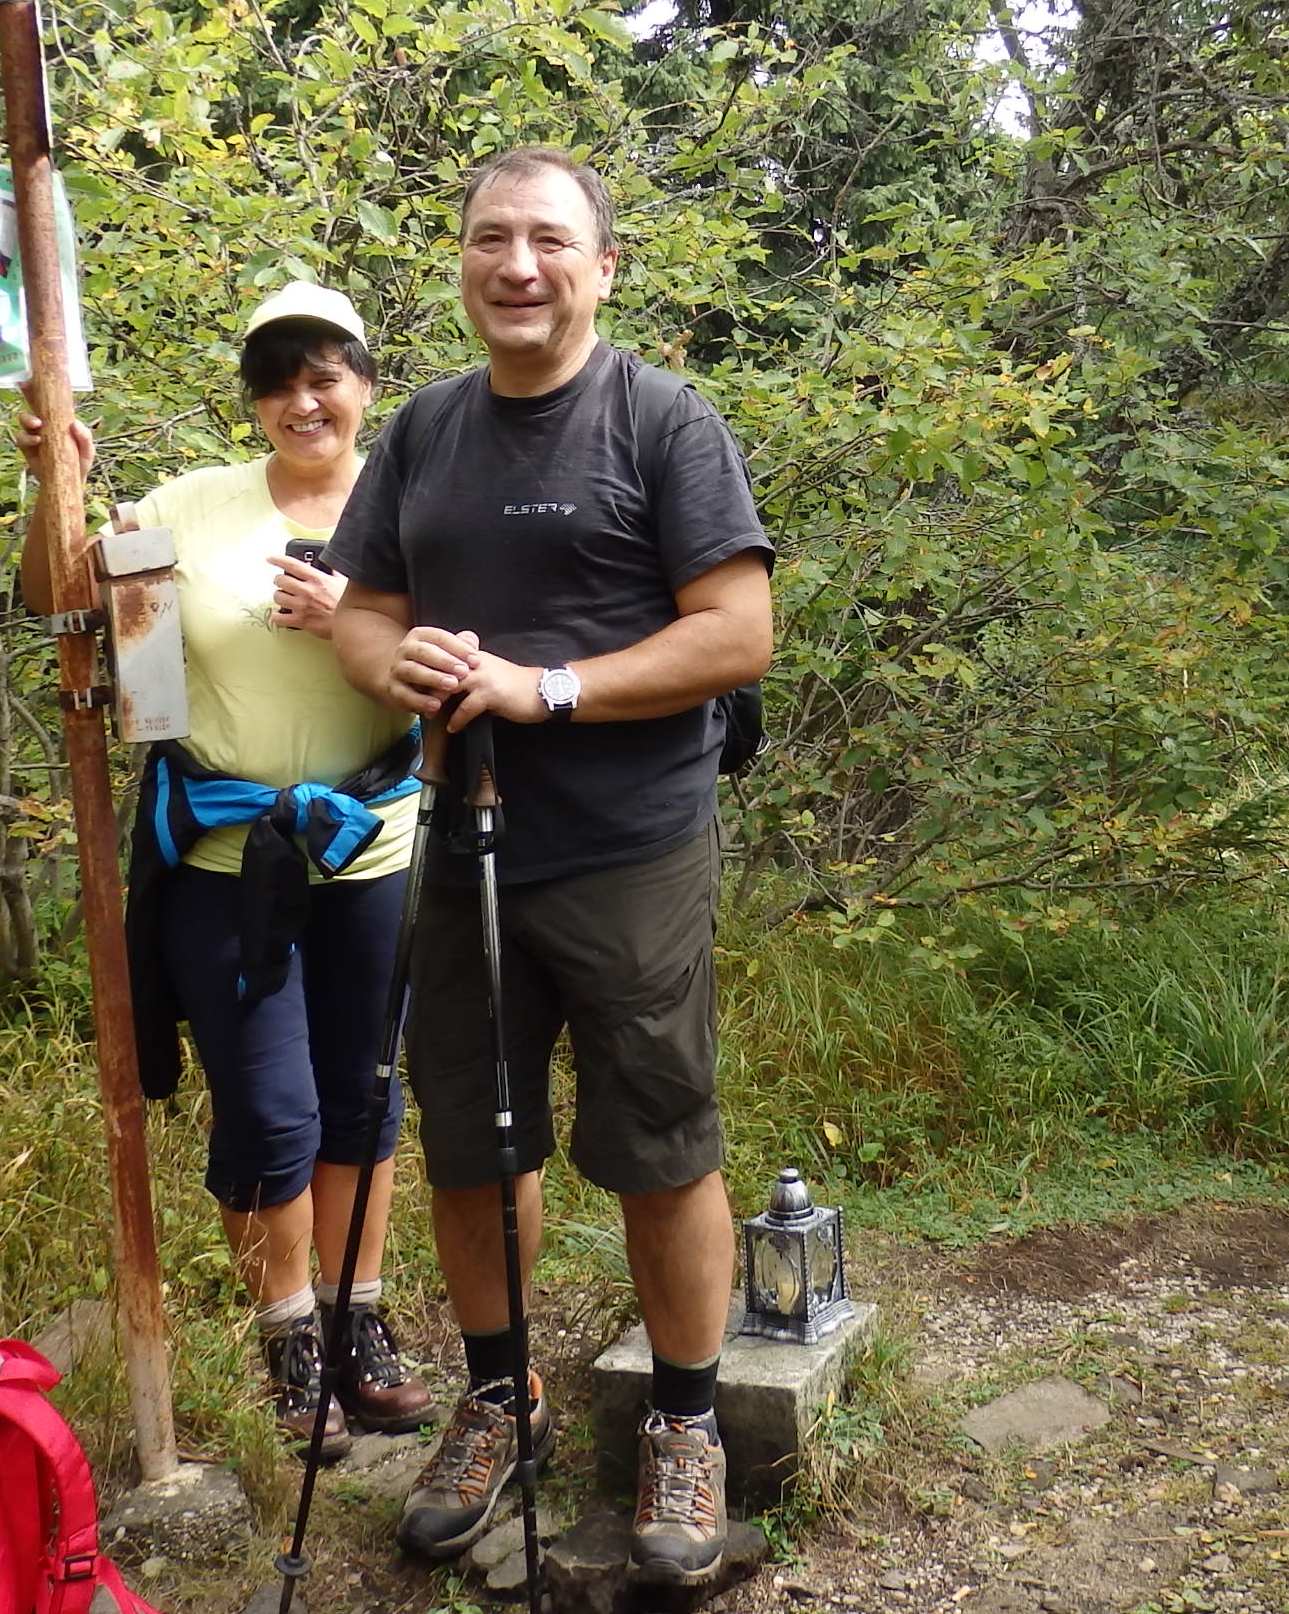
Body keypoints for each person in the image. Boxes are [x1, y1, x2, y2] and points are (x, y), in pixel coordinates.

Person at [330, 146, 774, 1588]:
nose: (516, 265)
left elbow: (736, 633)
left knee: (660, 1137)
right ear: (462, 259)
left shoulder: (661, 418)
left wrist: (549, 689)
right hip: (460, 844)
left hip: (630, 846)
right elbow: (360, 612)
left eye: (548, 240)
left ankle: (685, 1422)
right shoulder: (424, 429)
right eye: (489, 238)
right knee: (473, 1139)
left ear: (602, 267)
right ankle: (497, 1395)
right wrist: (396, 664)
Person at [20, 282, 435, 1460]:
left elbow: (473, 653)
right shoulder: (192, 504)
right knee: (268, 1106)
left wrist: (356, 617)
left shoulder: (415, 502)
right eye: (278, 381)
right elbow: (58, 600)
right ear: (254, 399)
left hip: (374, 849)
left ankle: (358, 1320)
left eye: (326, 376)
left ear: (366, 384)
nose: (304, 402)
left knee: (363, 1095)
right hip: (221, 855)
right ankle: (290, 1334)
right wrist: (54, 485)